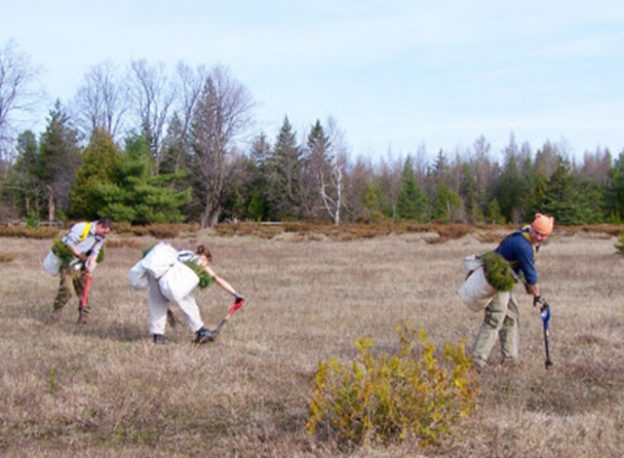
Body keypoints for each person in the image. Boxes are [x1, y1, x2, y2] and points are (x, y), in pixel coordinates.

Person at [471, 213, 554, 368]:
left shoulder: (530, 240)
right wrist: (537, 295)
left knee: (511, 316)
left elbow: (523, 271)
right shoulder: (523, 245)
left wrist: (533, 293)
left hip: (505, 279)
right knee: (495, 318)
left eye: (544, 235)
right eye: (537, 233)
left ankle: (509, 360)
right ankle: (476, 361)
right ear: (532, 228)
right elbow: (531, 276)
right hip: (495, 278)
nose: (540, 237)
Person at [144, 244, 244, 345]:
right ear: (206, 259)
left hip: (155, 274)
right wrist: (235, 294)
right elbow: (217, 279)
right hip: (173, 277)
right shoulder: (198, 261)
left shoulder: (185, 253)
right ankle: (200, 332)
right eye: (208, 264)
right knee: (189, 302)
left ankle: (157, 336)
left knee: (157, 305)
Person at [50, 218, 112, 324]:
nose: (104, 235)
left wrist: (90, 269)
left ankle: (83, 319)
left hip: (82, 266)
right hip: (68, 263)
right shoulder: (81, 227)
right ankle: (57, 312)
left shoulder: (100, 238)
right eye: (104, 231)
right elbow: (69, 242)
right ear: (100, 226)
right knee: (66, 289)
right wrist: (79, 255)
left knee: (84, 293)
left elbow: (94, 254)